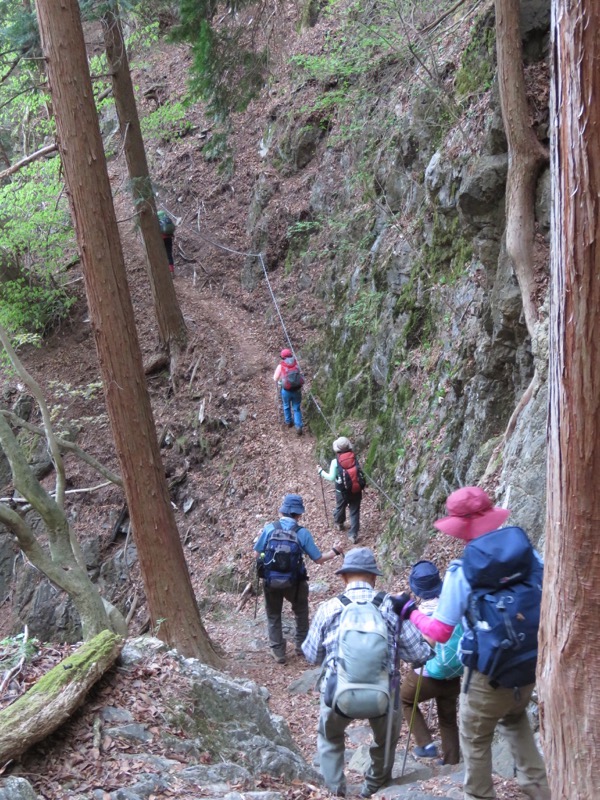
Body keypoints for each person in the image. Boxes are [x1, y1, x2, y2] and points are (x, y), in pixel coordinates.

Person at [394, 486, 549, 800]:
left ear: (460, 528)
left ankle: (479, 795)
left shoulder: (462, 572)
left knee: (476, 740)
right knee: (515, 716)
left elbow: (439, 632)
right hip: (529, 665)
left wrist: (410, 612)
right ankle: (542, 790)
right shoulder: (528, 554)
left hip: (487, 676)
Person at [302, 547, 433, 798]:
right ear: (374, 578)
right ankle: (373, 788)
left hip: (336, 692)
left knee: (330, 739)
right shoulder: (392, 607)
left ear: (343, 577)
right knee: (385, 742)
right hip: (384, 694)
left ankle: (334, 791)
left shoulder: (329, 607)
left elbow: (311, 654)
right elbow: (418, 654)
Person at [253, 493, 344, 665]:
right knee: (301, 612)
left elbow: (257, 553)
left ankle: (278, 652)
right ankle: (302, 647)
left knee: (273, 615)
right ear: (299, 514)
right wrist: (335, 551)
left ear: (282, 511)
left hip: (271, 581)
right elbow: (318, 559)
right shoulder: (302, 533)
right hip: (295, 582)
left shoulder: (269, 528)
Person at [400, 560, 461, 765]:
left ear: (415, 588)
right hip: (453, 671)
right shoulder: (453, 607)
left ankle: (426, 744)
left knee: (405, 700)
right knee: (448, 718)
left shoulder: (418, 615)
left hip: (428, 675)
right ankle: (452, 760)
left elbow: (414, 649)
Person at [317, 436, 364, 543]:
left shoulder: (335, 462)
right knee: (354, 511)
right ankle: (353, 535)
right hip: (356, 489)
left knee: (340, 507)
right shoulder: (354, 457)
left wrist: (320, 472)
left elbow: (331, 477)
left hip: (341, 491)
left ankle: (339, 523)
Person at [273, 348, 304, 435]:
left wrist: (280, 381)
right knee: (297, 408)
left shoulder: (281, 366)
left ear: (282, 357)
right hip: (297, 390)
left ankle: (289, 422)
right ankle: (298, 426)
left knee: (286, 405)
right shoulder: (296, 363)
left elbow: (275, 378)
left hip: (286, 390)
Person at [157, 209, 175, 275]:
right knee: (169, 255)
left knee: (160, 255)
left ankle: (163, 271)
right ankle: (171, 271)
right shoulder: (167, 220)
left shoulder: (157, 222)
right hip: (169, 238)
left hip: (161, 239)